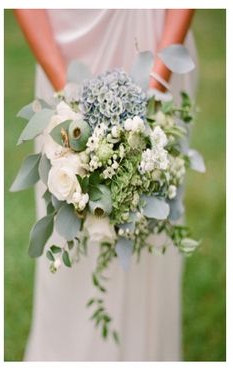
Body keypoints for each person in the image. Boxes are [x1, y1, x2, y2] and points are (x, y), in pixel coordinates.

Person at [14, 9, 197, 361]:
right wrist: (68, 99)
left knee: (153, 223)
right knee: (69, 233)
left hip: (156, 34)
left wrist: (154, 92)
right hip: (67, 46)